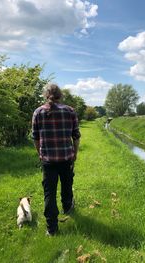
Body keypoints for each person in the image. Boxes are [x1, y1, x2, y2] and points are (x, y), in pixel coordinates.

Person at [31, 83, 81, 236]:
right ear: (61, 95)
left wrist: (40, 153)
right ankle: (67, 207)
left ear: (46, 95)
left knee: (49, 193)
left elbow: (36, 138)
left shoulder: (38, 112)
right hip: (66, 158)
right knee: (67, 184)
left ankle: (52, 229)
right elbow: (76, 136)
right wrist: (75, 153)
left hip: (48, 160)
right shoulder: (70, 111)